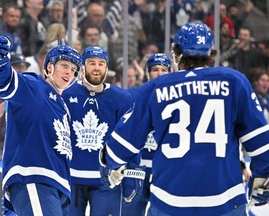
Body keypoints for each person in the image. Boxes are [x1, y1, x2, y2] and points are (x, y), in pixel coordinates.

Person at [100, 23, 269, 216]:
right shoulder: (234, 81)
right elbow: (262, 146)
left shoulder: (156, 87)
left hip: (169, 201)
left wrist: (109, 161)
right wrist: (261, 183)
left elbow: (120, 145)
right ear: (211, 52)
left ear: (176, 54)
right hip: (225, 201)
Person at [0, 35, 82, 215]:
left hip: (58, 189)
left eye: (74, 69)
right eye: (65, 66)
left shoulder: (64, 108)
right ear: (49, 67)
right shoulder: (34, 87)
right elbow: (5, 83)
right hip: (34, 179)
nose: (69, 73)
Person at [62, 46, 140, 216]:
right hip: (71, 179)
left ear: (106, 68)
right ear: (82, 67)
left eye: (101, 63)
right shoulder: (66, 94)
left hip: (107, 181)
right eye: (91, 63)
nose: (96, 68)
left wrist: (132, 177)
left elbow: (132, 137)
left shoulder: (123, 99)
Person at [125, 53, 172, 216]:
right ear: (147, 73)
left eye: (164, 70)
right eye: (155, 70)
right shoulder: (132, 96)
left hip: (165, 169)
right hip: (137, 168)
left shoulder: (178, 98)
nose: (159, 74)